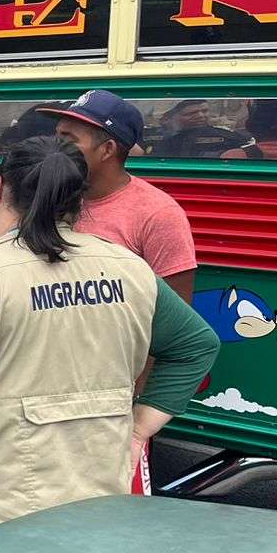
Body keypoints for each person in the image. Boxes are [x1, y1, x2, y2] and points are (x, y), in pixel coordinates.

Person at [0, 136, 220, 553]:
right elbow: (197, 345)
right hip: (94, 493)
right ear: (78, 197)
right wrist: (138, 430)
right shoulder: (130, 269)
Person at [43, 90, 200, 492]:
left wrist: (137, 410)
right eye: (57, 133)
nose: (55, 145)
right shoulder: (54, 199)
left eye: (69, 138)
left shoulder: (158, 214)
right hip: (47, 389)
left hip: (111, 399)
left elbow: (173, 320)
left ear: (108, 148)